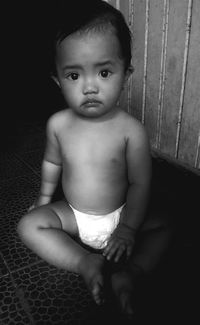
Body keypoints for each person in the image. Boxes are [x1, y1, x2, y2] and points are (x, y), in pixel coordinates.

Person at [17, 0, 171, 319]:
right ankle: (85, 262)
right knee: (29, 225)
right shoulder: (58, 124)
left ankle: (131, 275)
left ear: (125, 73)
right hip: (75, 216)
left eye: (103, 72)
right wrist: (44, 199)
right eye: (74, 76)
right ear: (58, 80)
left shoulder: (131, 131)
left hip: (121, 214)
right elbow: (52, 164)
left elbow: (140, 182)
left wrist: (128, 228)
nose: (89, 87)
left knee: (167, 226)